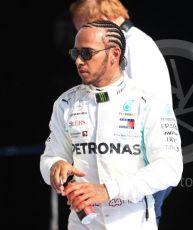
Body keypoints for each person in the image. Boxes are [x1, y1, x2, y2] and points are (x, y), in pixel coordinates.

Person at [40, 19, 183, 229]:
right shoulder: (65, 103)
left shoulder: (148, 103)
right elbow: (49, 157)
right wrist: (54, 166)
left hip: (132, 222)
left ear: (114, 54)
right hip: (83, 224)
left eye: (87, 53)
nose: (78, 61)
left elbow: (170, 168)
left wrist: (108, 190)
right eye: (75, 53)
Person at [69, 0, 175, 224]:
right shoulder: (132, 44)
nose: (82, 41)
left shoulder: (137, 47)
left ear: (102, 20)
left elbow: (141, 110)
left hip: (140, 169)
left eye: (84, 29)